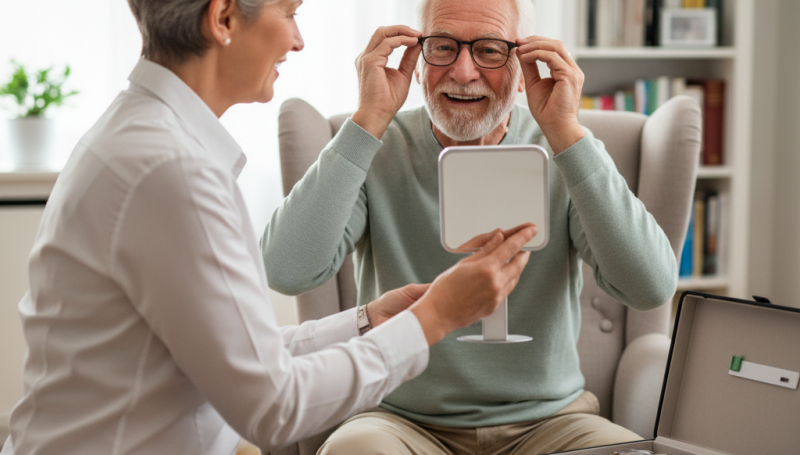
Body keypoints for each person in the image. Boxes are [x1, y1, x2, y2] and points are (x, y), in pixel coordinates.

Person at [0, 1, 538, 454]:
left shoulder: (144, 139)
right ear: (224, 18)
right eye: (290, 12)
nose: (298, 41)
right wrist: (434, 317)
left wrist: (366, 321)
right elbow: (274, 406)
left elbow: (232, 350)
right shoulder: (170, 170)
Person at [260, 0, 679, 453]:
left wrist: (566, 134)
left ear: (523, 66)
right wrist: (369, 119)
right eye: (442, 47)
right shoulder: (375, 147)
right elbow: (285, 271)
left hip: (552, 421)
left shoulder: (567, 152)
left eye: (490, 50)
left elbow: (650, 287)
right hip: (399, 422)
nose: (462, 72)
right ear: (418, 61)